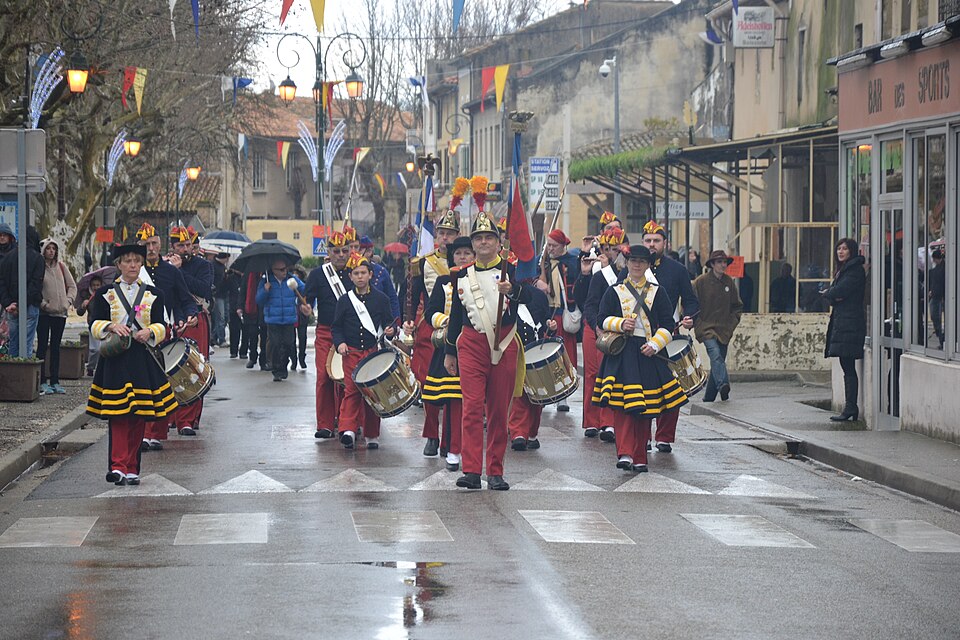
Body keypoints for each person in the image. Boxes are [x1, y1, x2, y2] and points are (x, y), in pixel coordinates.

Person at [444, 211, 532, 491]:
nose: (483, 242)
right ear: (472, 244)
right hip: (471, 344)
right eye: (478, 238)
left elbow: (534, 300)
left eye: (488, 238)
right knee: (470, 408)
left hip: (503, 343)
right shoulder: (460, 274)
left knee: (497, 410)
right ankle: (470, 469)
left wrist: (513, 291)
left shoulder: (512, 271)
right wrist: (449, 352)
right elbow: (456, 315)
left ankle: (495, 470)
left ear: (498, 243)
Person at [86, 243, 178, 486]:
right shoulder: (105, 293)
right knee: (118, 415)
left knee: (139, 415)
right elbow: (94, 323)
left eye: (137, 261)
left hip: (141, 359)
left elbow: (163, 326)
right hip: (115, 360)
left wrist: (149, 331)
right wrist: (110, 326)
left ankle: (132, 467)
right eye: (127, 261)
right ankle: (117, 466)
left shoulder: (154, 294)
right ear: (118, 265)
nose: (133, 265)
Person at [594, 244, 689, 472]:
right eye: (633, 260)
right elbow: (601, 318)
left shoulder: (658, 292)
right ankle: (625, 453)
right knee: (623, 407)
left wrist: (655, 344)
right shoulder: (614, 291)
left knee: (644, 408)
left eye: (642, 261)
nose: (637, 264)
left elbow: (667, 324)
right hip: (623, 352)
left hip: (647, 353)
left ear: (648, 265)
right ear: (626, 263)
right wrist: (619, 323)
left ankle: (639, 457)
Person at [134, 222, 198, 450]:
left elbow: (186, 300)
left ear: (160, 244)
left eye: (153, 243)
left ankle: (156, 433)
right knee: (142, 385)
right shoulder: (133, 273)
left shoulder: (171, 271)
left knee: (161, 385)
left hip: (164, 332)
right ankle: (141, 433)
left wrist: (189, 315)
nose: (150, 248)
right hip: (138, 334)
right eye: (145, 244)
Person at [404, 210, 460, 457]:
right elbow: (413, 295)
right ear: (436, 235)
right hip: (430, 325)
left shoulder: (465, 260)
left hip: (458, 326)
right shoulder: (424, 262)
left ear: (457, 235)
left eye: (450, 234)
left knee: (454, 386)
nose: (446, 238)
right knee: (428, 384)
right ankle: (431, 435)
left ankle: (450, 437)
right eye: (442, 233)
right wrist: (407, 321)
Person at [642, 220, 699, 451]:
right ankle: (643, 435)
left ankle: (664, 437)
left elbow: (691, 301)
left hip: (669, 334)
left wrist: (690, 316)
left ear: (665, 243)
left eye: (656, 240)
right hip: (641, 336)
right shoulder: (634, 268)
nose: (652, 244)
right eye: (648, 240)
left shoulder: (677, 270)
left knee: (671, 389)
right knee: (643, 389)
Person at [331, 252, 398, 450]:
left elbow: (389, 322)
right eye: (356, 273)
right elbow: (336, 327)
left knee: (372, 394)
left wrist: (391, 330)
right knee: (351, 391)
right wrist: (340, 343)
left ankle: (371, 434)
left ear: (370, 274)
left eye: (363, 272)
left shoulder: (381, 299)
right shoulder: (345, 300)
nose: (360, 276)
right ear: (350, 277)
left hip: (371, 352)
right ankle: (348, 431)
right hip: (351, 352)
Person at [421, 236, 475, 471]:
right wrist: (448, 323)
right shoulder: (444, 282)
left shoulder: (478, 279)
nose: (462, 257)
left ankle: (453, 448)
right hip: (446, 346)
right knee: (435, 399)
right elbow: (430, 312)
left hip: (472, 348)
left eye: (467, 253)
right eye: (458, 253)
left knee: (459, 403)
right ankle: (435, 439)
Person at [575, 228, 626, 441]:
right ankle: (592, 421)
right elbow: (586, 302)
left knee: (611, 376)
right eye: (606, 248)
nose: (610, 252)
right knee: (593, 374)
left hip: (619, 327)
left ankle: (609, 422)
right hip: (596, 327)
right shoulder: (597, 274)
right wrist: (597, 325)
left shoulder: (629, 273)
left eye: (614, 249)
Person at [302, 230, 354, 439]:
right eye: (336, 251)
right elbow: (307, 300)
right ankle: (324, 424)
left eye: (344, 250)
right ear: (329, 253)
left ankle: (346, 422)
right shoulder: (318, 274)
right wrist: (305, 309)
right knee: (324, 377)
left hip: (349, 333)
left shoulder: (356, 272)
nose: (341, 255)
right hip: (325, 332)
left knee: (346, 379)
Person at [166, 226, 213, 435]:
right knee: (168, 369)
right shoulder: (164, 266)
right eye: (180, 246)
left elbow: (203, 289)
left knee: (192, 367)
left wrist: (179, 272)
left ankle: (188, 419)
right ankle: (170, 417)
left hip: (195, 320)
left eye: (188, 245)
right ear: (172, 247)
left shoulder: (203, 266)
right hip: (171, 320)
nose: (185, 249)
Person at [822, 238, 867, 422]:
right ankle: (850, 407)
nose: (841, 252)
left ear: (852, 251)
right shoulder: (844, 270)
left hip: (850, 323)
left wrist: (832, 294)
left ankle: (850, 407)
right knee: (845, 365)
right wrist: (833, 295)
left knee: (848, 365)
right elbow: (834, 294)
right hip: (844, 322)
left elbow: (837, 292)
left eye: (844, 249)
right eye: (838, 248)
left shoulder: (854, 271)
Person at [536, 228, 580, 412]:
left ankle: (564, 396)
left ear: (563, 246)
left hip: (562, 313)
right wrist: (538, 282)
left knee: (565, 355)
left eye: (554, 245)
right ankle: (548, 392)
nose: (551, 248)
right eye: (549, 245)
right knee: (545, 355)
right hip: (546, 313)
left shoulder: (572, 262)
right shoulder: (543, 262)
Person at [508, 281, 555, 452]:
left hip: (536, 350)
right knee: (519, 394)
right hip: (514, 349)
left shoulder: (539, 296)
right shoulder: (504, 292)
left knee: (537, 396)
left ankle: (532, 432)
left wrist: (551, 328)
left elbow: (545, 321)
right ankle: (518, 433)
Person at [693, 250, 744, 403]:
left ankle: (709, 398)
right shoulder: (700, 282)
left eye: (724, 262)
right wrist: (697, 322)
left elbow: (737, 307)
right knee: (715, 354)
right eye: (720, 262)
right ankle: (723, 384)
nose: (723, 265)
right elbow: (691, 304)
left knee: (719, 360)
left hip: (724, 329)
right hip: (706, 327)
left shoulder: (729, 282)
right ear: (712, 264)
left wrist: (731, 324)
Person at [37, 238, 77, 394]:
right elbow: (35, 288)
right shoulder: (39, 268)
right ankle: (42, 381)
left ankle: (55, 380)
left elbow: (73, 286)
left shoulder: (61, 267)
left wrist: (68, 301)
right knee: (41, 347)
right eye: (48, 248)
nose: (51, 251)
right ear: (44, 250)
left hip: (60, 314)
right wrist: (44, 305)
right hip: (44, 314)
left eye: (54, 248)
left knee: (55, 347)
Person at [256, 259, 304, 382]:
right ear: (274, 270)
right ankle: (277, 370)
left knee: (288, 344)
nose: (285, 271)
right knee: (275, 344)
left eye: (285, 268)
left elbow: (305, 290)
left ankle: (284, 365)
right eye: (281, 270)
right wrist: (265, 290)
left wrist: (305, 302)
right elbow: (259, 300)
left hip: (289, 318)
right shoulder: (266, 280)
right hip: (273, 318)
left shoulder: (292, 279)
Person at [0, 226, 45, 357]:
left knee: (13, 342)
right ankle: (24, 372)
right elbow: (36, 285)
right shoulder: (37, 258)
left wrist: (9, 303)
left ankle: (13, 373)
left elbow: (2, 282)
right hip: (29, 306)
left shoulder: (7, 258)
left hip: (12, 306)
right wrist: (22, 303)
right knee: (27, 343)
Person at [348, 228, 400, 321]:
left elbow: (392, 298)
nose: (354, 252)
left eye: (358, 249)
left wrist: (395, 322)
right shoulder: (347, 270)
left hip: (377, 321)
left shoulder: (381, 272)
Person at [76, 274, 104, 376]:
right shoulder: (88, 297)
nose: (96, 287)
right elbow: (79, 312)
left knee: (104, 348)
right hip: (93, 325)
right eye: (94, 285)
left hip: (105, 325)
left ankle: (102, 369)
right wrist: (83, 306)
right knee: (95, 349)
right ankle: (91, 367)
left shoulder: (106, 294)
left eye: (98, 285)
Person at [290, 264, 310, 369]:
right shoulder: (288, 287)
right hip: (292, 315)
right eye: (293, 274)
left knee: (302, 337)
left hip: (302, 315)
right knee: (291, 339)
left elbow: (309, 297)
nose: (295, 276)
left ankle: (302, 357)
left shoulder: (303, 286)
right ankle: (293, 360)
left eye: (297, 275)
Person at [928, 249, 945, 348]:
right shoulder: (940, 267)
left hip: (938, 296)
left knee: (935, 317)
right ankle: (941, 338)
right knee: (935, 317)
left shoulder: (940, 269)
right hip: (937, 295)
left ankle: (942, 339)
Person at [211, 252, 229, 347]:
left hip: (224, 294)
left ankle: (213, 337)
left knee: (225, 317)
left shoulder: (223, 267)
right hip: (217, 295)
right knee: (220, 318)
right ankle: (221, 339)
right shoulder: (213, 266)